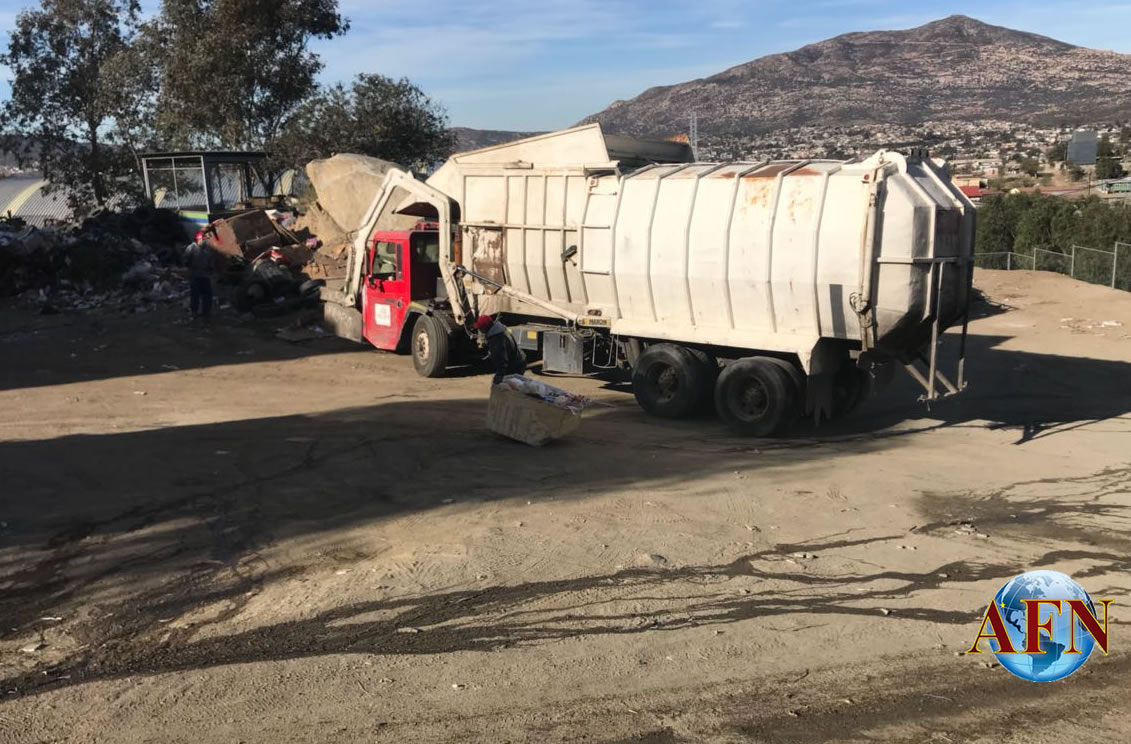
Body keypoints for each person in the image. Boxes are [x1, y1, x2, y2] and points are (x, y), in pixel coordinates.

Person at [475, 314, 525, 384]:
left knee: (507, 388)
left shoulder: (496, 339)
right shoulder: (500, 329)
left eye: (480, 328)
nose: (480, 330)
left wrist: (499, 377)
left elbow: (502, 361)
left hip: (514, 367)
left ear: (484, 328)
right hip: (519, 361)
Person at [183, 231, 215, 325]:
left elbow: (211, 262)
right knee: (195, 295)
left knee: (207, 295)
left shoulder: (207, 249)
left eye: (204, 239)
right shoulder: (191, 248)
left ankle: (206, 312)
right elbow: (185, 260)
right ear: (197, 240)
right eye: (201, 239)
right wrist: (190, 266)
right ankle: (194, 312)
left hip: (205, 275)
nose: (203, 241)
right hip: (195, 275)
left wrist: (210, 268)